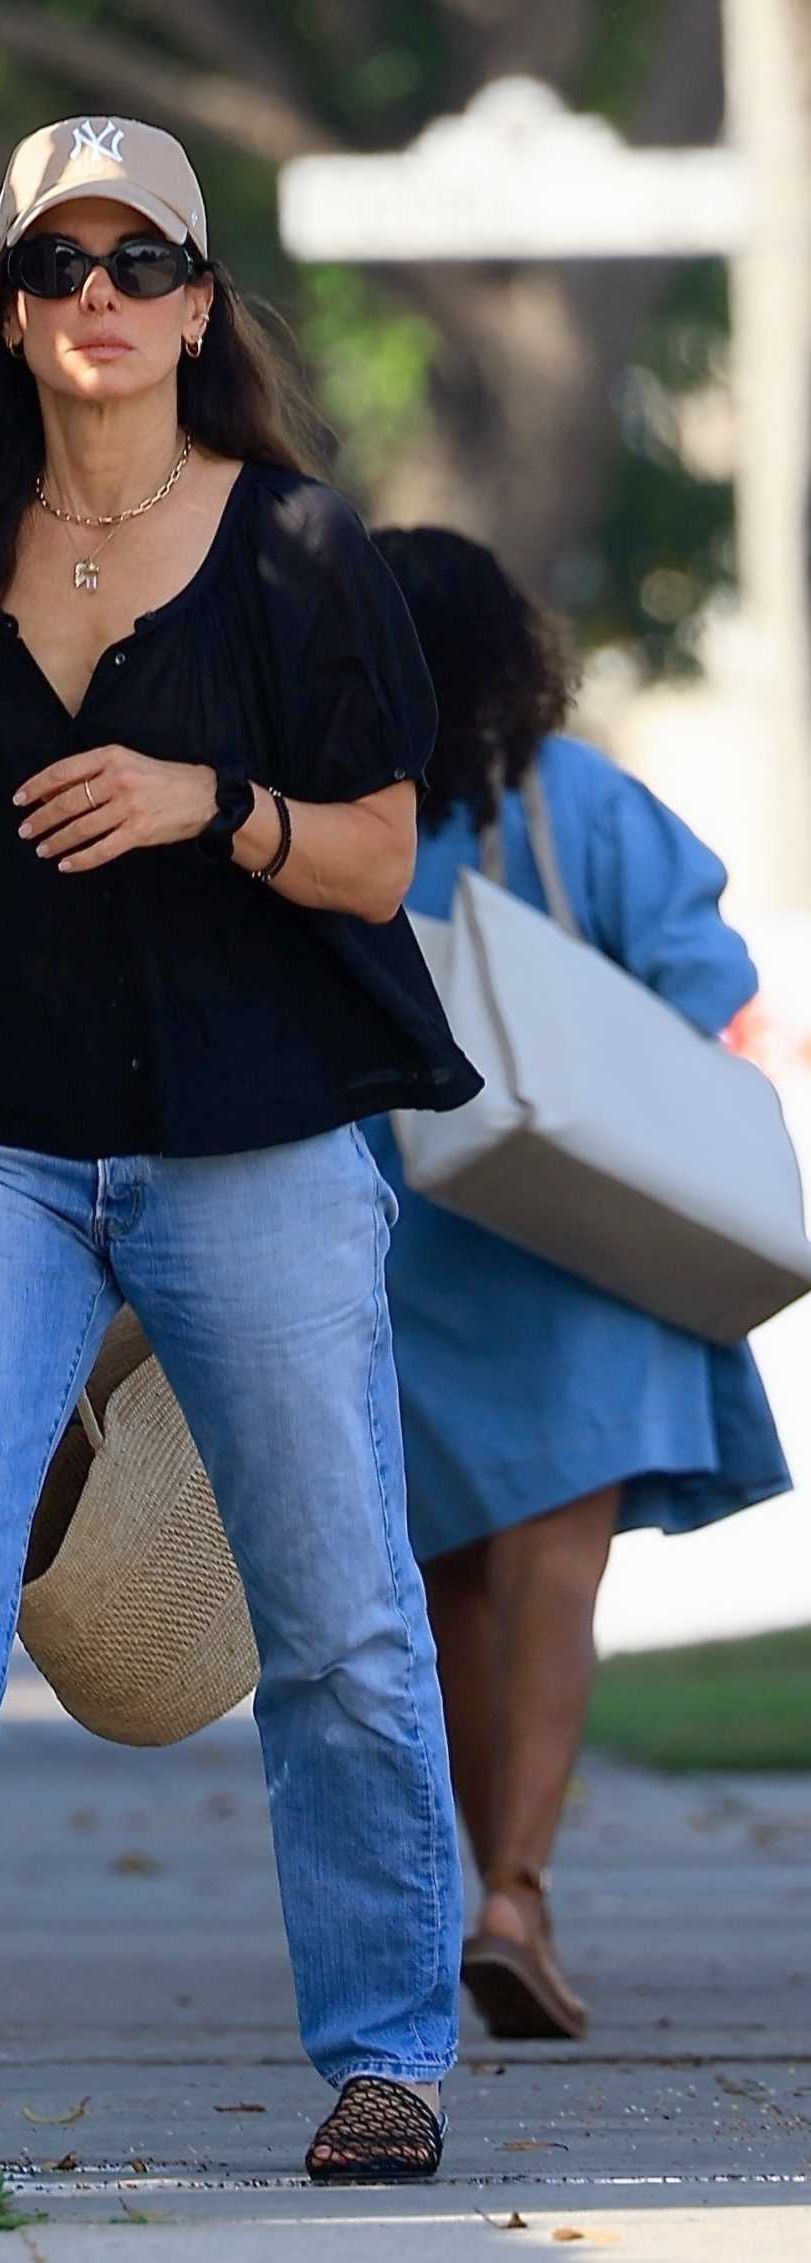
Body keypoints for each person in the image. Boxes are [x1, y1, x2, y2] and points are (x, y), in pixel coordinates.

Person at [0, 115, 483, 2185]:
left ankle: (393, 2044)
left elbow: (381, 856)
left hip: (254, 1138)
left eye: (144, 264)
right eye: (61, 267)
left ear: (202, 306)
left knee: (334, 1615)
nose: (103, 300)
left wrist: (205, 803)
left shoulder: (306, 548)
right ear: (15, 311)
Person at [367, 526, 791, 2041]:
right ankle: (518, 1893)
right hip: (587, 1235)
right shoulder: (582, 806)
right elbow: (706, 988)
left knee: (453, 1586)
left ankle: (497, 1886)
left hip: (408, 1249)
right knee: (557, 1576)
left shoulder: (338, 827)